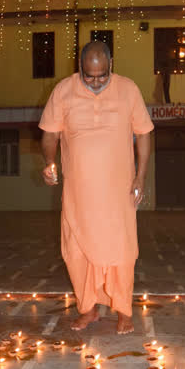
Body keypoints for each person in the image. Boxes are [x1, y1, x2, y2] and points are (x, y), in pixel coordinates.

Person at [39, 41, 153, 335]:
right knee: (76, 253)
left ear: (111, 65)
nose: (96, 81)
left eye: (102, 75)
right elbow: (50, 135)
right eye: (89, 76)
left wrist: (141, 176)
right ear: (80, 68)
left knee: (123, 252)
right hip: (79, 195)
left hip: (118, 194)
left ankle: (124, 311)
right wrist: (49, 162)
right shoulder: (63, 91)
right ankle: (88, 310)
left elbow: (143, 135)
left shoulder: (128, 90)